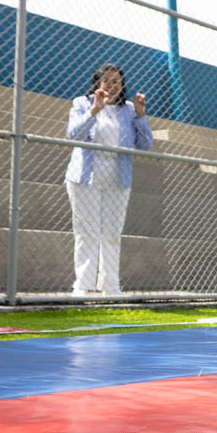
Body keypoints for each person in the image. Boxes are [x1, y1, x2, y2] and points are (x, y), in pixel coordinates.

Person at [64, 63, 153, 296]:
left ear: (122, 86)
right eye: (107, 81)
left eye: (117, 82)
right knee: (87, 231)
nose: (112, 86)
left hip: (117, 177)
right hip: (85, 176)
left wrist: (141, 116)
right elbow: (74, 135)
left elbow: (145, 145)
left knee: (112, 233)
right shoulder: (81, 103)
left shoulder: (130, 109)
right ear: (97, 84)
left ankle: (111, 285)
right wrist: (95, 110)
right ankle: (83, 285)